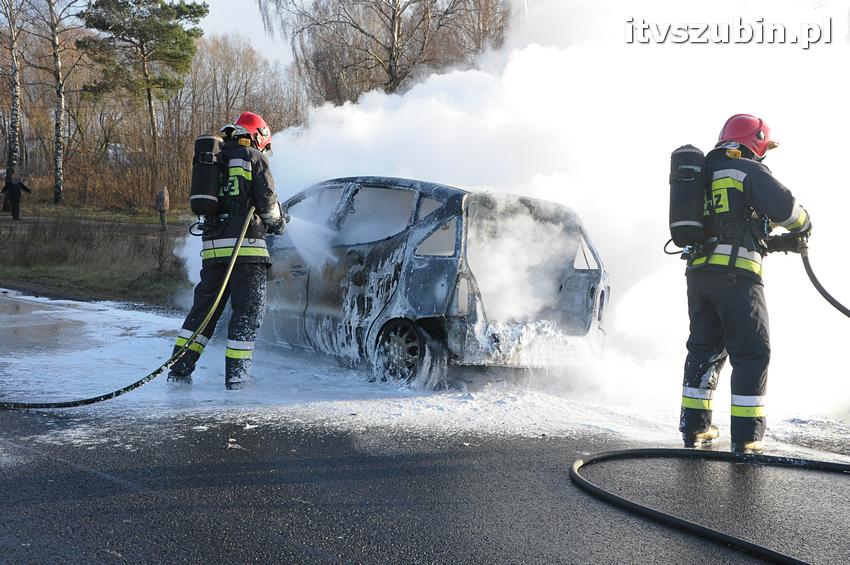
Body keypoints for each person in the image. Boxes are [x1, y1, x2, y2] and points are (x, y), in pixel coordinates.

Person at [680, 114, 811, 454]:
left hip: (699, 277)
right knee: (752, 352)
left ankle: (695, 429)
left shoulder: (701, 174)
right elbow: (787, 210)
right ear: (756, 142)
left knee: (704, 351)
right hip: (737, 279)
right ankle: (747, 436)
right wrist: (804, 224)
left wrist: (778, 244)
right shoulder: (747, 170)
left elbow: (733, 230)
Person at [168, 111, 284, 390]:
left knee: (203, 314)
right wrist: (279, 223)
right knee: (247, 314)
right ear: (258, 137)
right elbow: (268, 207)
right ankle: (237, 379)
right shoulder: (254, 158)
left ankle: (178, 371)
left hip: (213, 252)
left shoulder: (215, 159)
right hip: (247, 251)